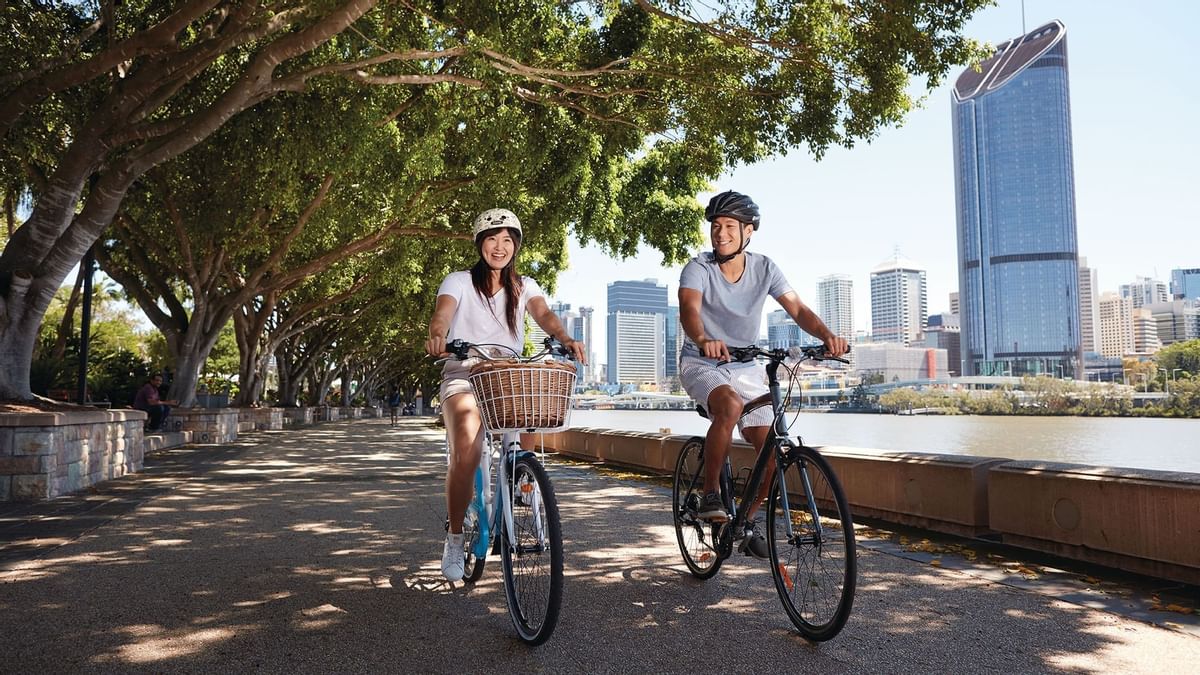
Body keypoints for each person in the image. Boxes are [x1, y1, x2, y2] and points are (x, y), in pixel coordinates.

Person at [678, 190, 848, 559]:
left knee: (772, 447)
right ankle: (710, 495)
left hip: (745, 364)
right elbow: (689, 310)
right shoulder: (698, 268)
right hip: (701, 361)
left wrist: (826, 336)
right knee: (728, 406)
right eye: (715, 226)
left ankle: (747, 521)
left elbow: (798, 309)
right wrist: (704, 338)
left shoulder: (765, 268)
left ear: (748, 231)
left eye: (729, 227)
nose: (720, 234)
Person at [425, 208, 587, 582]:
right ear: (480, 243)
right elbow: (442, 314)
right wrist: (438, 334)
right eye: (492, 239)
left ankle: (522, 479)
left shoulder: (524, 285)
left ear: (515, 246)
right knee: (467, 444)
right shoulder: (460, 280)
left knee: (532, 416)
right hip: (464, 373)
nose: (500, 248)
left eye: (508, 241)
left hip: (506, 377)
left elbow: (544, 314)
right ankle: (453, 538)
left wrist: (564, 338)